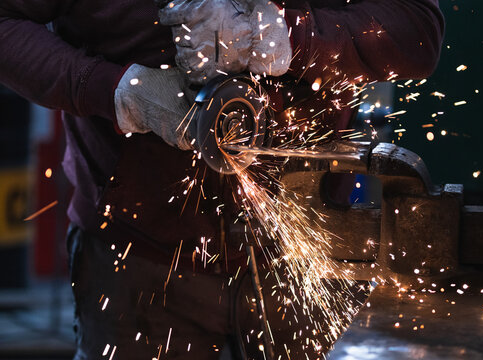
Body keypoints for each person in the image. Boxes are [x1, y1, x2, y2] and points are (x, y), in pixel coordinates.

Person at [0, 0, 444, 358]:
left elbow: (415, 28)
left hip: (313, 249)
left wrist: (278, 32)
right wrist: (118, 92)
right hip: (137, 257)